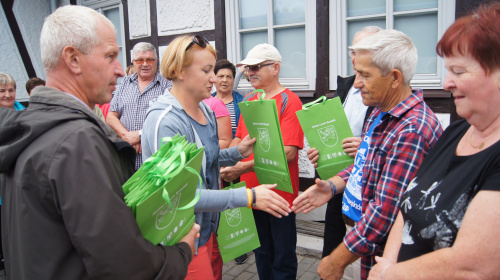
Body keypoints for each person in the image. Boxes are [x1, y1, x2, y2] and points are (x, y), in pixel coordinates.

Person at [0, 6, 199, 279]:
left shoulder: (35, 126)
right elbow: (124, 266)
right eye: (110, 56)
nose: (120, 70)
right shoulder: (76, 142)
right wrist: (181, 252)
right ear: (73, 59)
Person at [292, 30, 443, 280]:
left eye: (365, 75)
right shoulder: (380, 109)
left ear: (394, 78)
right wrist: (332, 186)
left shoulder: (412, 129)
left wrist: (336, 260)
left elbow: (385, 213)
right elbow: (365, 164)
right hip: (359, 242)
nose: (357, 82)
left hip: (381, 257)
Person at [141, 35, 292, 280]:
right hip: (183, 239)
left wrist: (237, 152)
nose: (214, 78)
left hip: (209, 227)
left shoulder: (204, 110)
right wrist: (248, 196)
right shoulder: (166, 121)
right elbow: (178, 195)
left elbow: (205, 159)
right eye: (206, 70)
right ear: (179, 71)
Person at [369, 4, 500, 280]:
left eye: (459, 71)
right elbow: (408, 205)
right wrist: (388, 263)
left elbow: (473, 265)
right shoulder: (455, 132)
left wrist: (389, 274)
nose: (446, 82)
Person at [220, 43, 305, 280]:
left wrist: (243, 166)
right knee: (262, 251)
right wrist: (226, 159)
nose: (249, 73)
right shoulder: (250, 98)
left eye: (256, 67)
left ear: (275, 68)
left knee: (282, 254)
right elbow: (240, 137)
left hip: (280, 193)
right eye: (248, 68)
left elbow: (288, 152)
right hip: (252, 191)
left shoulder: (290, 100)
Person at [323, 27, 381, 271]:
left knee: (358, 244)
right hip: (338, 173)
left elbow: (384, 136)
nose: (355, 57)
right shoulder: (346, 85)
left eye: (361, 51)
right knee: (334, 235)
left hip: (364, 181)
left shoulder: (386, 90)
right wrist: (319, 151)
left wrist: (366, 145)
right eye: (352, 52)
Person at [107, 42, 171, 170]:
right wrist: (127, 136)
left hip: (155, 162)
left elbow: (169, 120)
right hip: (125, 159)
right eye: (140, 60)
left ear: (156, 61)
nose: (145, 64)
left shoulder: (166, 86)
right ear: (133, 62)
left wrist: (141, 135)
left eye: (149, 60)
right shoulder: (125, 83)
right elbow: (111, 116)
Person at [212, 59, 245, 138]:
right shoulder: (205, 103)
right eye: (221, 76)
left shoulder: (243, 102)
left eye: (229, 77)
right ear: (214, 79)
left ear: (234, 80)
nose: (225, 80)